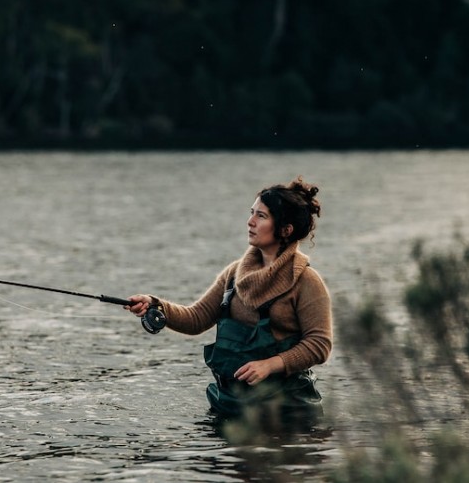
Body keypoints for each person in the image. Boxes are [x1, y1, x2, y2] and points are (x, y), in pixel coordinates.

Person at [125, 177, 332, 421]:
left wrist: (270, 364)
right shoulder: (234, 274)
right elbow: (196, 319)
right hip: (232, 407)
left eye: (261, 216)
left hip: (288, 412)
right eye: (251, 213)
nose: (250, 222)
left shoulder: (307, 281)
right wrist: (155, 304)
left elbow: (320, 345)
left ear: (286, 230)